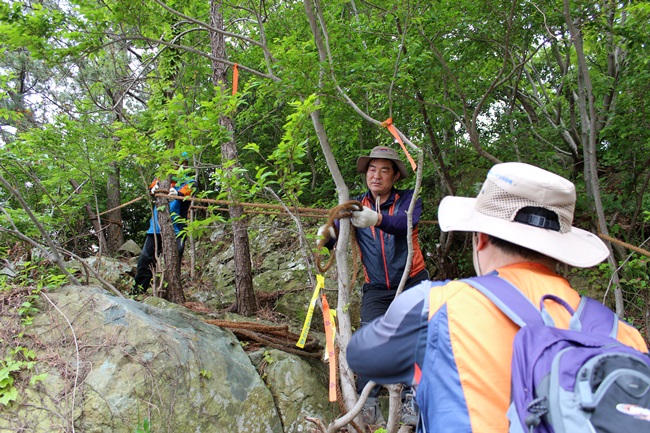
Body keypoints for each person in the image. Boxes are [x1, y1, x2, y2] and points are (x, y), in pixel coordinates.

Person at [345, 162, 649, 432]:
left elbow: (361, 355)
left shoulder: (438, 305)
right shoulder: (626, 336)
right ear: (562, 253)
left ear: (481, 239)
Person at [318, 146, 429, 425]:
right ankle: (368, 409)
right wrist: (326, 235)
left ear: (395, 176)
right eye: (372, 169)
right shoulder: (355, 206)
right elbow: (333, 239)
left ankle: (411, 405)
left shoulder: (408, 200)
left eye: (384, 170)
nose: (376, 176)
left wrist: (376, 218)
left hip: (413, 281)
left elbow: (406, 222)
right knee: (369, 342)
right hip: (377, 289)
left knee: (418, 342)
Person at [132, 158, 195, 295]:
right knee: (145, 260)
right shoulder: (160, 179)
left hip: (177, 230)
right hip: (155, 229)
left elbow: (188, 190)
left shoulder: (188, 182)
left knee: (173, 261)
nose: (178, 166)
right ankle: (138, 291)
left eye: (182, 164)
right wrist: (154, 189)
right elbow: (152, 186)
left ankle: (171, 292)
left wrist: (177, 194)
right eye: (176, 162)